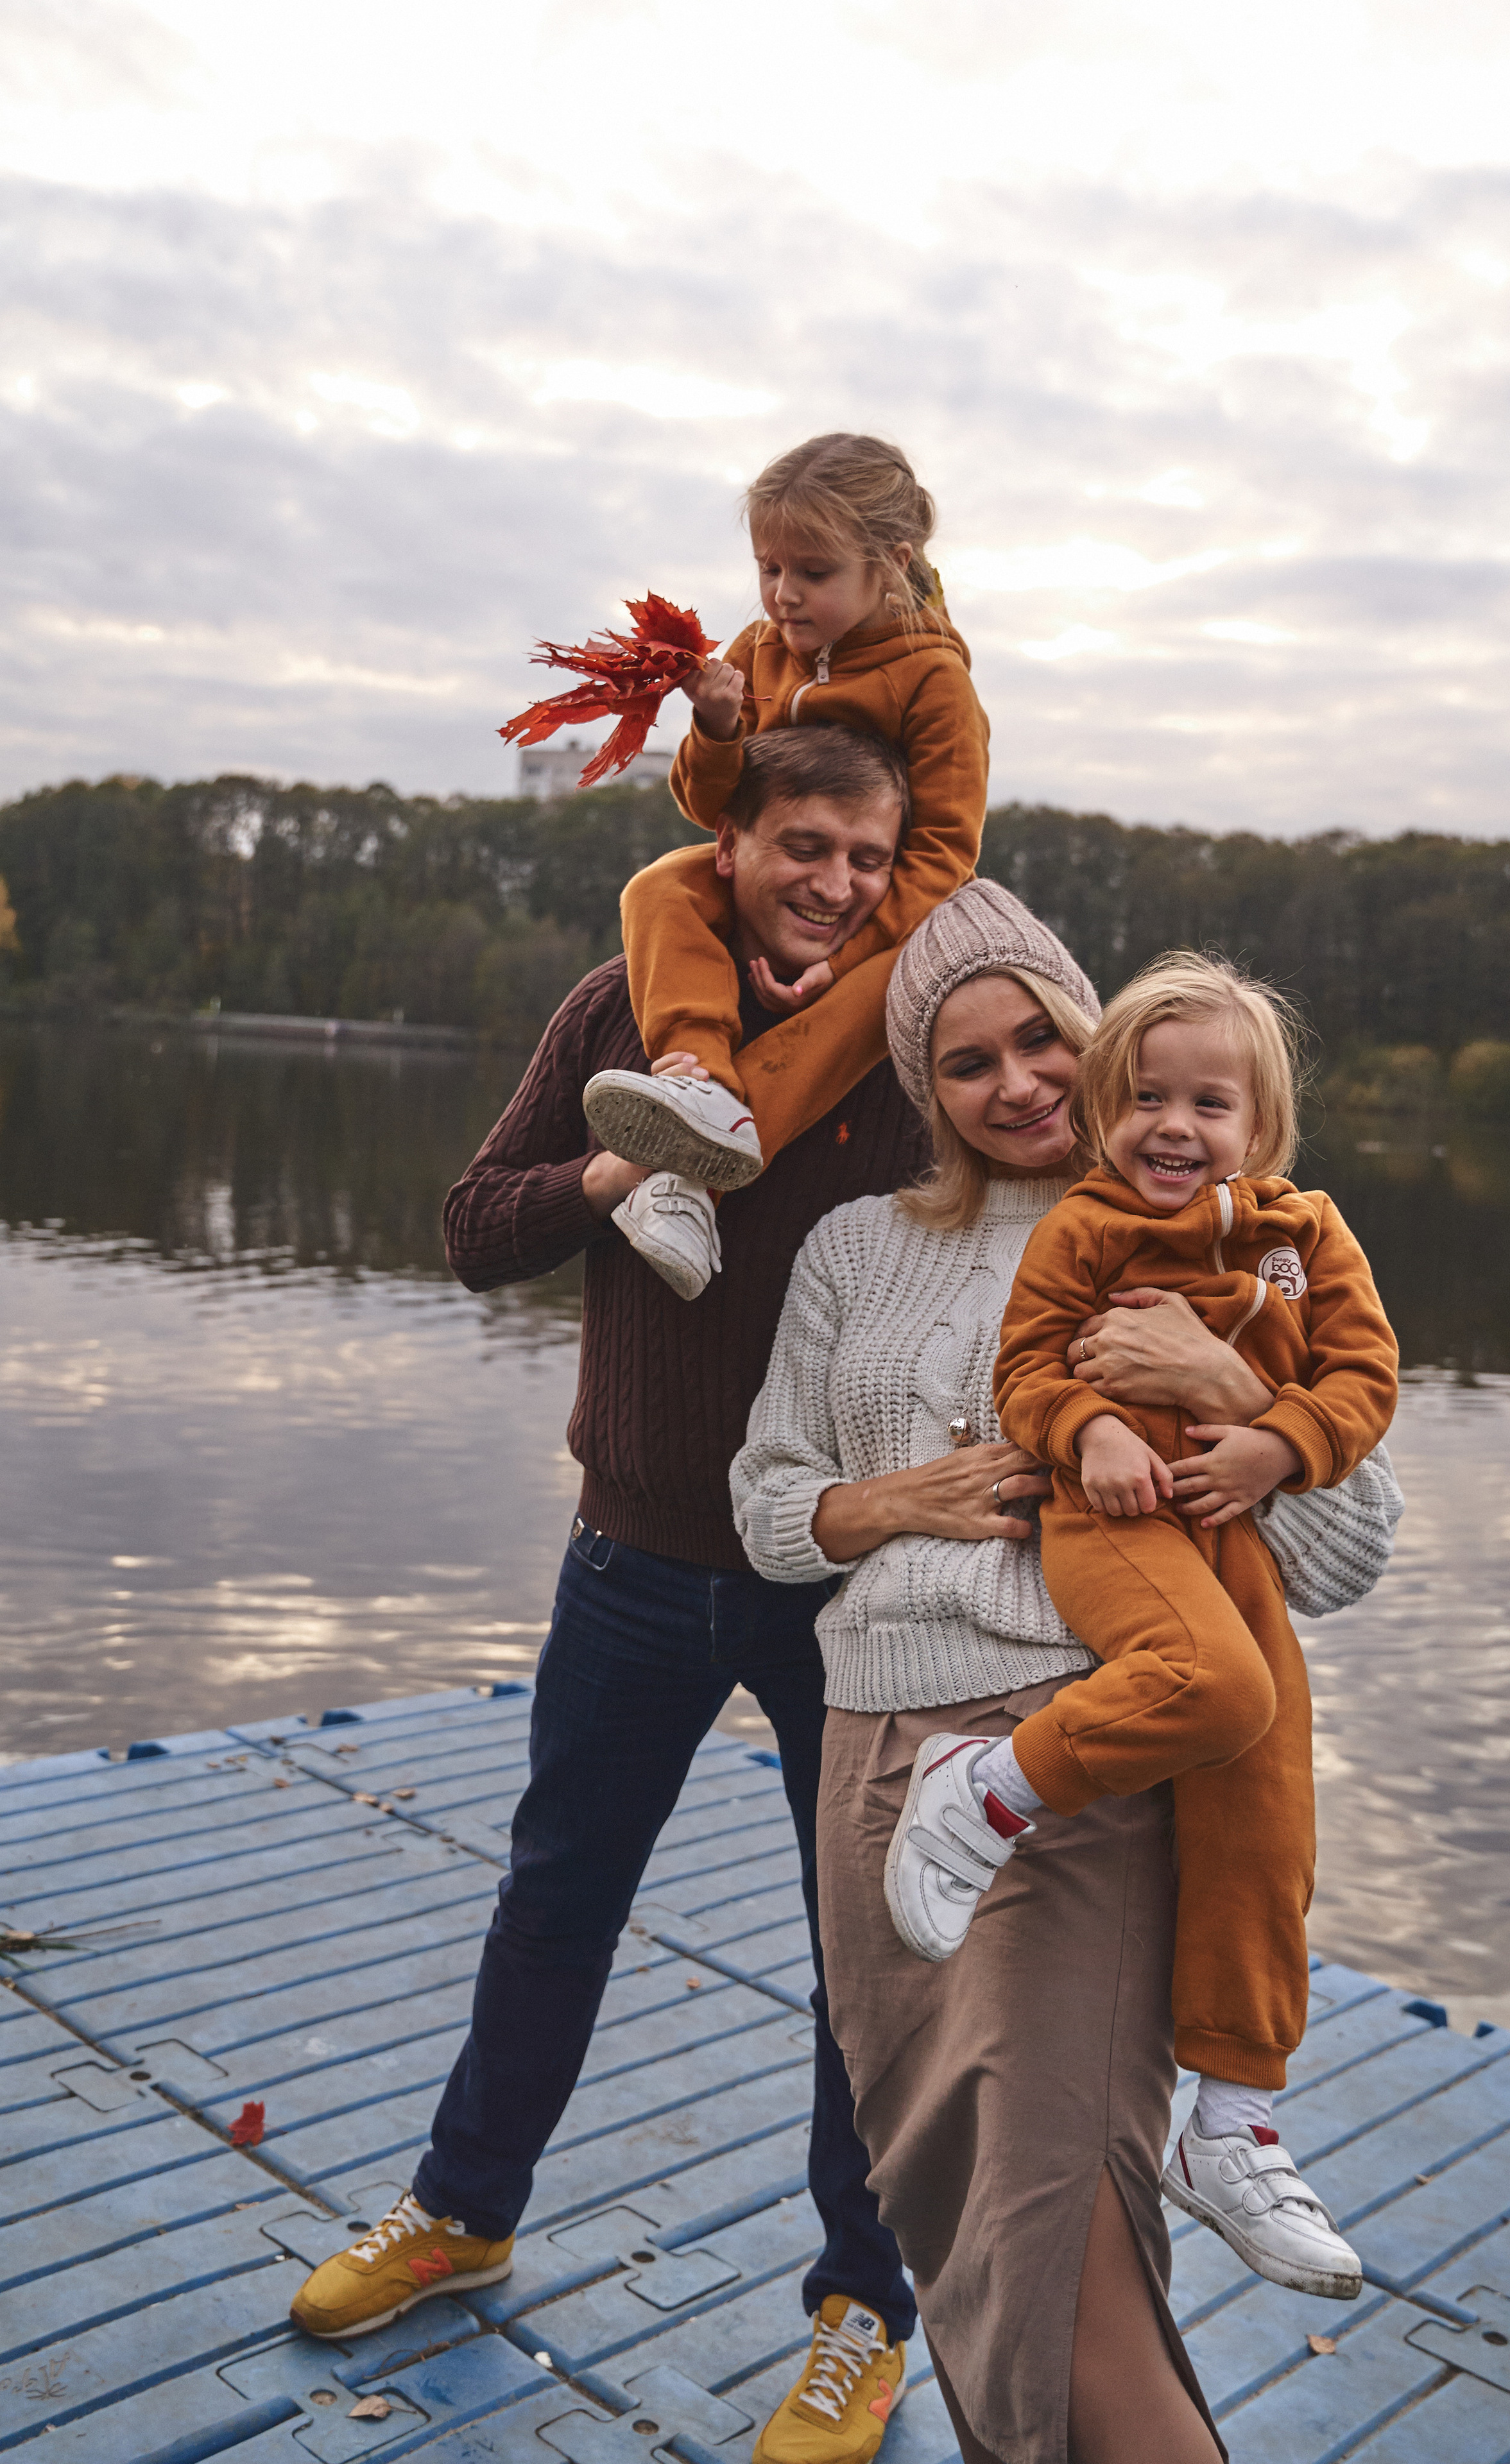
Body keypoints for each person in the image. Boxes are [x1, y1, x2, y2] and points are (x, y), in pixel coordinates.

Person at [288, 723, 927, 2464]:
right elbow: (476, 1223)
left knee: (863, 1958)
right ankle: (462, 2207)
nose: (837, 886)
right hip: (631, 1556)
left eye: (869, 860)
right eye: (807, 845)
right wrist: (619, 1168)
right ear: (730, 838)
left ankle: (863, 2312)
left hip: (844, 1581)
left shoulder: (917, 1036)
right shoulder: (620, 1004)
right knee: (555, 1899)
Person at [731, 882, 1402, 2464]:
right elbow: (768, 1512)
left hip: (1077, 1750)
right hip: (877, 1743)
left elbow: (1347, 1555)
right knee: (939, 2189)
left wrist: (1224, 1380)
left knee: (1057, 2218)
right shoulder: (850, 1250)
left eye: (1043, 1035)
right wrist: (913, 1495)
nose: (1019, 1080)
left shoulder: (1235, 1226)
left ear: (1099, 1036)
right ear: (928, 1094)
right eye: (969, 1063)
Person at [941, 949, 1396, 2303]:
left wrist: (1274, 1437)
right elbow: (1023, 1372)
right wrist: (1084, 1427)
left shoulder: (1304, 1238)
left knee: (1267, 1808)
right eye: (1142, 1097)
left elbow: (1364, 1381)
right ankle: (992, 1787)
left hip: (1235, 1524)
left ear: (1257, 1130)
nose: (1173, 1128)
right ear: (1100, 1107)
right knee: (1210, 1692)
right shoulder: (1078, 1228)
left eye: (1209, 1105)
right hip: (1121, 1511)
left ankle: (1235, 2117)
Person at [581, 432, 989, 1300]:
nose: (783, 594)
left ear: (890, 564)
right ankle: (696, 1080)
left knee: (877, 995)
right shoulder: (759, 648)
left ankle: (697, 1176)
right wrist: (720, 731)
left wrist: (845, 957)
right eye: (769, 568)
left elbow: (944, 855)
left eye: (812, 572)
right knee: (659, 886)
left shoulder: (933, 682)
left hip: (882, 914)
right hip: (769, 880)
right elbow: (707, 809)